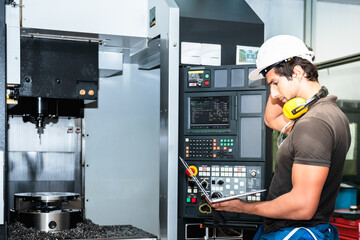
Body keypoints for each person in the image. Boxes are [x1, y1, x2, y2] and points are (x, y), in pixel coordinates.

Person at [207, 35, 351, 239]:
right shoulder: (326, 114)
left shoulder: (313, 125)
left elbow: (302, 206)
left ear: (298, 72)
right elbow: (271, 118)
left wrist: (243, 207)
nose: (273, 94)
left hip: (294, 232)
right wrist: (279, 80)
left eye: (275, 83)